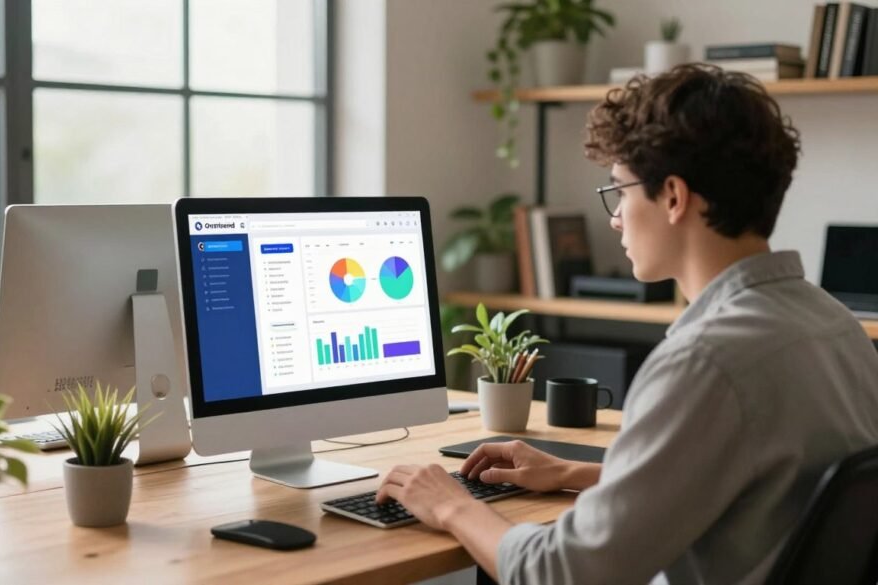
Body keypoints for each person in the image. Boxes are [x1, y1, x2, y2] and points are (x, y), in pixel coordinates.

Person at [376, 64, 878, 584]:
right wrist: (574, 472)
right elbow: (755, 489)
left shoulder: (705, 362)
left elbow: (560, 574)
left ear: (674, 197)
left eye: (620, 191)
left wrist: (451, 504)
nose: (615, 218)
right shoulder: (837, 328)